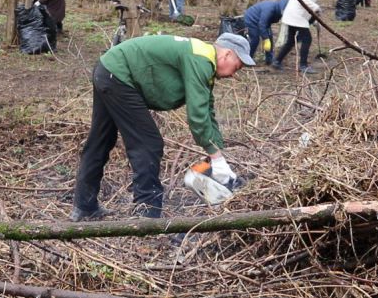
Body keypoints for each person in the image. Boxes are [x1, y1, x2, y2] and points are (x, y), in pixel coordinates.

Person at [71, 33, 254, 220]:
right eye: (237, 67)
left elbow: (207, 110)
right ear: (227, 54)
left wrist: (217, 156)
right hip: (118, 76)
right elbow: (197, 117)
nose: (233, 74)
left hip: (108, 69)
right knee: (148, 144)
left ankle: (84, 206)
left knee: (100, 141)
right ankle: (147, 214)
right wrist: (215, 156)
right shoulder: (201, 60)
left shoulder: (203, 57)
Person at [272, 0, 330, 74]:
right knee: (307, 39)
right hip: (296, 16)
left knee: (290, 41)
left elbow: (308, 6)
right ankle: (303, 65)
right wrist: (316, 8)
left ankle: (277, 61)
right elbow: (304, 0)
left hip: (296, 16)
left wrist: (313, 20)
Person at [243, 0, 290, 65]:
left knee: (270, 38)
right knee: (255, 40)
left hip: (262, 21)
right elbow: (262, 25)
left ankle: (269, 59)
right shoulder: (269, 9)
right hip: (251, 19)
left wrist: (267, 38)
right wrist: (265, 38)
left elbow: (266, 23)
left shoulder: (278, 10)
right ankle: (247, 59)